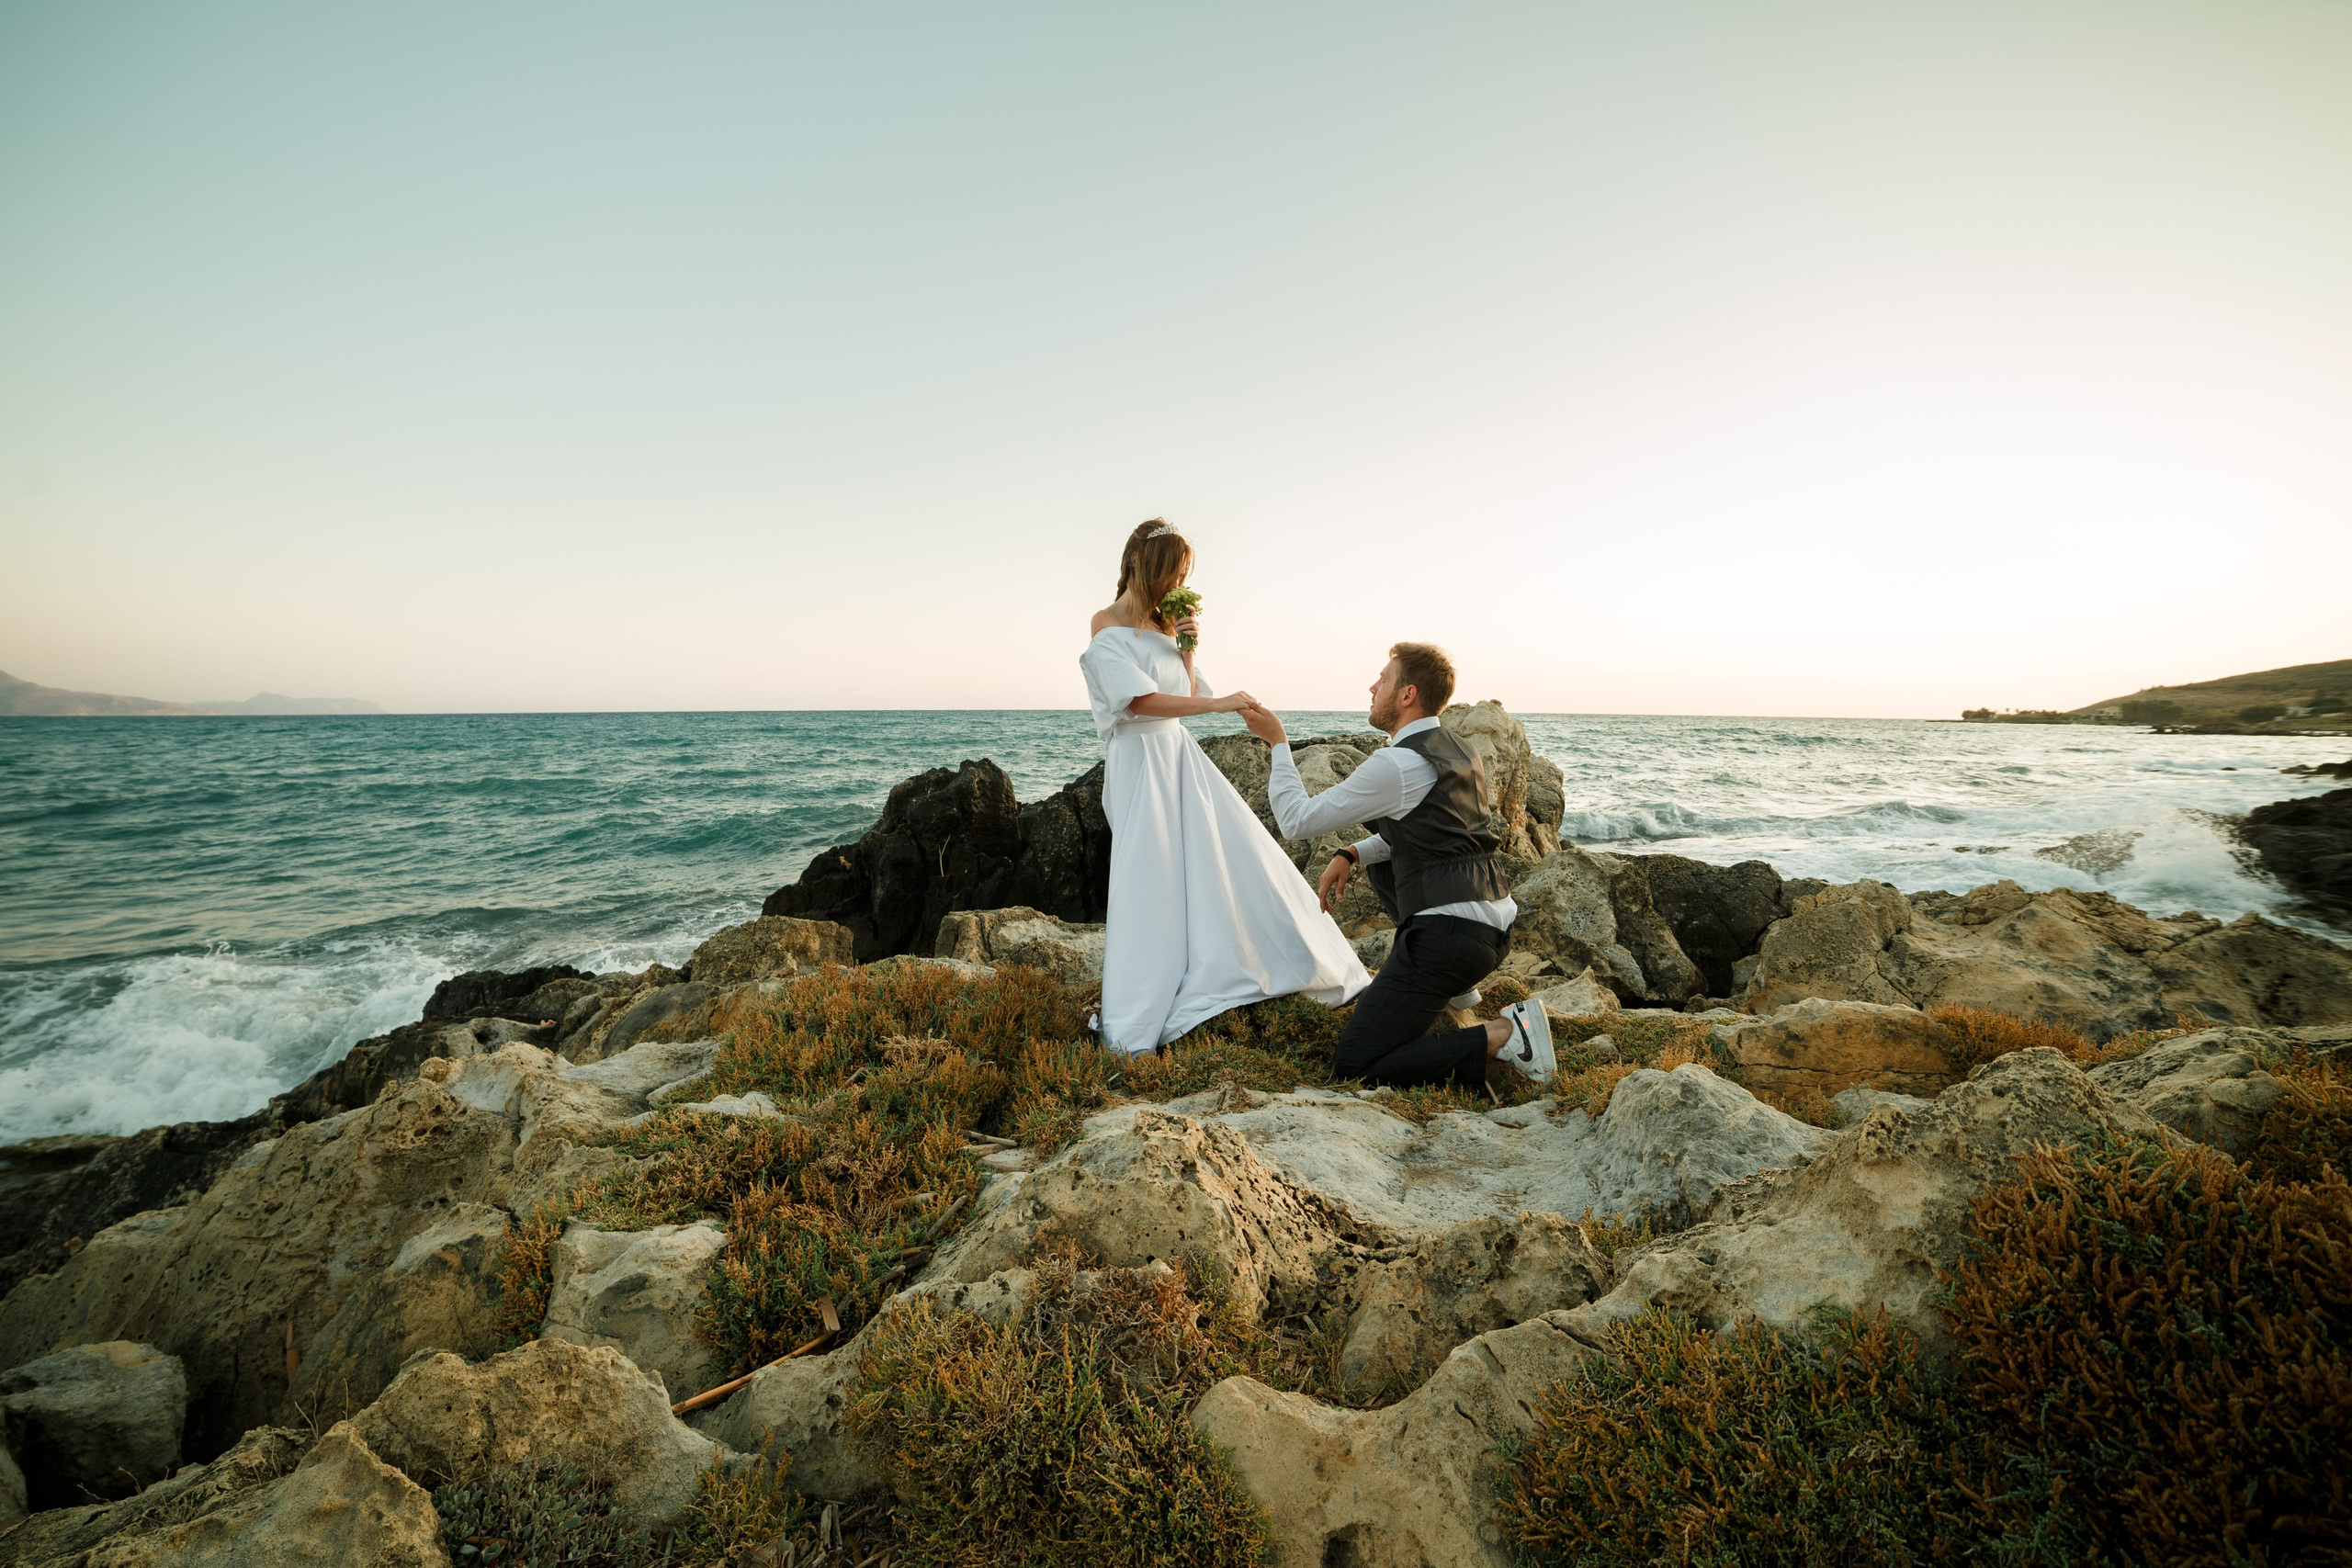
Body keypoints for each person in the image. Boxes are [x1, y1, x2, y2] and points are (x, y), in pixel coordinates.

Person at [1079, 520, 1372, 1057]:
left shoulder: (1167, 627)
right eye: (1173, 571)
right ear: (1146, 566)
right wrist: (1218, 704)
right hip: (1141, 763)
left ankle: (1252, 963)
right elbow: (1138, 702)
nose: (1179, 583)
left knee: (1228, 859)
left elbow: (1185, 690)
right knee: (1151, 876)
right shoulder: (1105, 626)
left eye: (1185, 574)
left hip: (1179, 759)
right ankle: (1138, 1014)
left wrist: (1187, 647)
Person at [1238, 643, 1555, 1089]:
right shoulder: (1460, 750)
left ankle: (1506, 1033)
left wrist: (1277, 742)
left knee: (1356, 1064)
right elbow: (1429, 837)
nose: (1372, 687)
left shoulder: (1398, 764)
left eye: (1382, 680)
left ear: (1407, 694)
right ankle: (1455, 989)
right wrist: (1351, 853)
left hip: (1450, 939)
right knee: (1377, 864)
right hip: (1494, 927)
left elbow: (1296, 820)